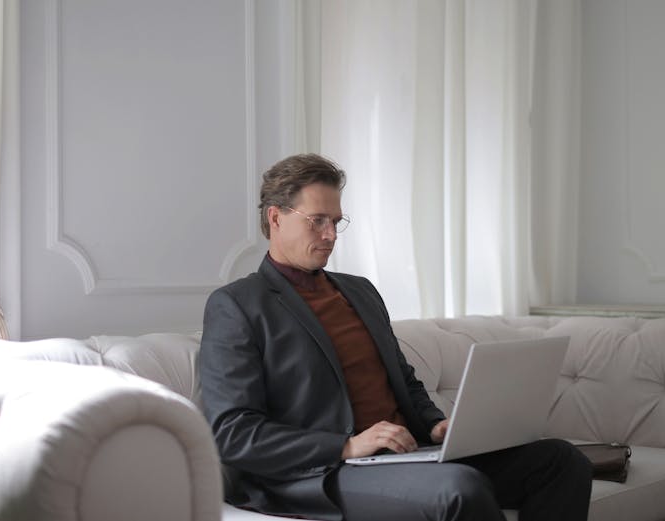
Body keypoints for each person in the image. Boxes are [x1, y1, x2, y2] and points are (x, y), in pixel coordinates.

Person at [199, 153, 592, 521]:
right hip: (323, 471)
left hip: (404, 453)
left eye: (337, 221)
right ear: (276, 218)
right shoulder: (237, 305)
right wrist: (345, 446)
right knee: (459, 489)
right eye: (317, 220)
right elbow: (234, 433)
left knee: (559, 460)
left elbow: (402, 379)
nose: (331, 234)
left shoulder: (359, 291)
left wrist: (436, 425)